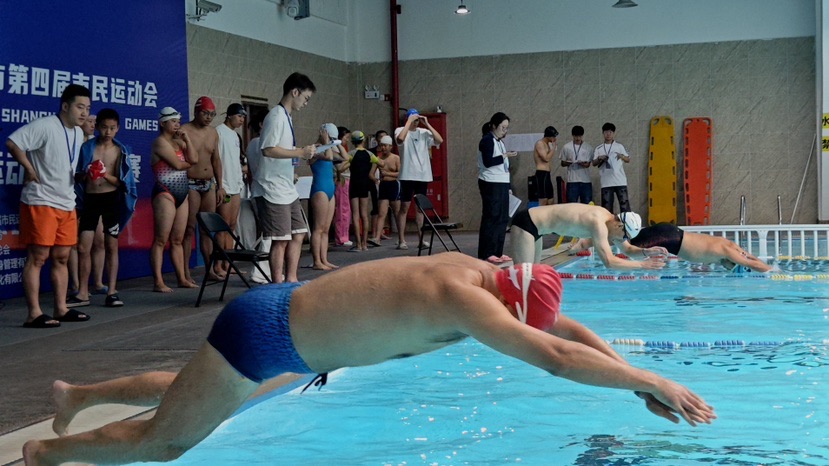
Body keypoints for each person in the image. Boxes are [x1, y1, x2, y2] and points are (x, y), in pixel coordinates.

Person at [23, 254, 716, 466]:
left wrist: (630, 390)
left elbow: (566, 329)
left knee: (196, 389)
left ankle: (77, 393)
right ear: (506, 303)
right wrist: (652, 379)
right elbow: (557, 358)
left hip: (284, 320)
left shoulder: (486, 277)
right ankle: (46, 459)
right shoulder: (459, 298)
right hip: (273, 336)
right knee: (168, 439)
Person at [6, 84, 92, 328]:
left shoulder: (77, 132)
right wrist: (29, 168)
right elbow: (13, 143)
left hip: (66, 201)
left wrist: (80, 176)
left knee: (62, 257)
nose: (84, 113)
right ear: (65, 106)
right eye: (79, 107)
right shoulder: (44, 125)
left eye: (87, 108)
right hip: (41, 200)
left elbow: (63, 163)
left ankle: (61, 308)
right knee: (38, 257)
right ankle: (33, 313)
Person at [72, 108, 137, 307]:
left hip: (110, 200)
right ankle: (83, 292)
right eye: (104, 127)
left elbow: (123, 183)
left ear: (117, 128)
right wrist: (88, 173)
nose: (108, 132)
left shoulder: (120, 150)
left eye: (112, 128)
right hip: (90, 200)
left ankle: (112, 291)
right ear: (97, 127)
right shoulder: (87, 148)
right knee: (83, 247)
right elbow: (77, 177)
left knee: (111, 246)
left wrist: (104, 174)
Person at [257, 72, 316, 283]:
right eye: (306, 98)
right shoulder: (275, 116)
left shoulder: (287, 117)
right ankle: (277, 284)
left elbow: (283, 151)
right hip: (273, 189)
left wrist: (297, 161)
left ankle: (291, 279)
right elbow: (268, 150)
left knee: (299, 233)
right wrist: (300, 152)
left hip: (286, 186)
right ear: (295, 92)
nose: (306, 103)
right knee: (280, 239)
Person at [510, 204, 666, 270]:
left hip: (538, 229)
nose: (622, 240)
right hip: (527, 223)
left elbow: (628, 249)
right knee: (522, 277)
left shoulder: (609, 220)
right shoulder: (598, 223)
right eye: (624, 236)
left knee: (532, 277)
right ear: (620, 226)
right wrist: (642, 265)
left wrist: (647, 252)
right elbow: (609, 262)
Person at [572, 223, 773, 273]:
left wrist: (759, 262)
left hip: (672, 233)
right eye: (732, 267)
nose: (727, 268)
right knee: (627, 241)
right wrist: (772, 271)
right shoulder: (727, 252)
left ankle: (586, 241)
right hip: (669, 238)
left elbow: (749, 257)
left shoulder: (731, 246)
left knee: (630, 238)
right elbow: (751, 263)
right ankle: (585, 242)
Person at [150, 107, 198, 293]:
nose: (177, 124)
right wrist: (190, 164)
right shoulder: (159, 143)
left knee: (177, 239)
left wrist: (187, 139)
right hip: (165, 193)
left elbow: (195, 157)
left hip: (182, 193)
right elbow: (178, 165)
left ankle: (182, 278)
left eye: (178, 120)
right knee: (161, 239)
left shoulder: (180, 142)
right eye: (173, 121)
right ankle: (158, 281)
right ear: (163, 123)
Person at [181, 96, 224, 283]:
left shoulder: (213, 133)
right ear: (196, 112)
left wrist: (220, 186)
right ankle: (185, 273)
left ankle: (209, 270)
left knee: (208, 230)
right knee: (189, 229)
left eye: (212, 114)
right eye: (205, 113)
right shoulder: (184, 130)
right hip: (190, 183)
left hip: (209, 185)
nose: (208, 117)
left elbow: (216, 160)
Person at [68, 114, 107, 299]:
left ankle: (98, 282)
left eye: (94, 122)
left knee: (99, 241)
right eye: (89, 121)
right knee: (75, 243)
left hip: (94, 197)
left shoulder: (97, 145)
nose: (93, 124)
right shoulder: (71, 143)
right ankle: (76, 284)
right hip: (73, 197)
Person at [395, 109, 443, 250]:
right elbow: (400, 139)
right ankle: (401, 240)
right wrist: (409, 121)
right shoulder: (400, 130)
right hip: (407, 175)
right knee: (404, 207)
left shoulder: (424, 133)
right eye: (413, 119)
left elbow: (439, 140)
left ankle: (421, 239)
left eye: (417, 120)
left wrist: (427, 124)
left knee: (420, 209)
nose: (415, 122)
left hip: (423, 175)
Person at [477, 112, 518, 264]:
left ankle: (497, 252)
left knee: (502, 219)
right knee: (491, 217)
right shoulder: (487, 140)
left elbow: (504, 168)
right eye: (502, 127)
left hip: (501, 183)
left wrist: (508, 187)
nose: (505, 131)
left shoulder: (499, 142)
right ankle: (486, 253)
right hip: (490, 183)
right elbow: (488, 162)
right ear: (494, 126)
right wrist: (505, 155)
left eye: (507, 128)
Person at [215, 103, 247, 277]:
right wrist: (219, 185)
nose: (242, 120)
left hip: (236, 186)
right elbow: (217, 160)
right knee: (222, 226)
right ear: (230, 115)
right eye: (239, 116)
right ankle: (218, 264)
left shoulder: (235, 136)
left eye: (243, 117)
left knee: (232, 226)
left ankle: (228, 263)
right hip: (225, 186)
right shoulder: (219, 132)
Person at [337, 131, 381, 252]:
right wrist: (372, 169)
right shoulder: (369, 154)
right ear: (363, 141)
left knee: (355, 215)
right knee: (364, 215)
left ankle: (358, 245)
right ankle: (365, 244)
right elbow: (381, 163)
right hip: (365, 184)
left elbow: (341, 168)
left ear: (352, 142)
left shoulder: (351, 154)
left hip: (354, 184)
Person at [308, 123, 340, 270]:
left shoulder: (329, 147)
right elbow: (328, 157)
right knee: (318, 228)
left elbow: (345, 157)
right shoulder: (314, 148)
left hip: (330, 190)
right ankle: (316, 261)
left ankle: (324, 259)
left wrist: (335, 143)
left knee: (326, 228)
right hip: (319, 190)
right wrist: (326, 142)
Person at [369, 135, 403, 247]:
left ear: (390, 146)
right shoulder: (378, 159)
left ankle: (401, 239)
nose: (383, 148)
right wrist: (376, 180)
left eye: (385, 145)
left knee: (397, 213)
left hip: (394, 185)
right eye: (381, 145)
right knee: (381, 213)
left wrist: (387, 174)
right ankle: (377, 238)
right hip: (383, 185)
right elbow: (371, 174)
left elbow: (400, 173)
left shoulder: (395, 158)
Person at [592, 122, 631, 213]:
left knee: (624, 205)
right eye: (606, 132)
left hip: (620, 181)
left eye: (610, 132)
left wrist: (621, 156)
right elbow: (593, 163)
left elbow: (628, 159)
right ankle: (609, 226)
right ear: (603, 133)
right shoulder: (599, 148)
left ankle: (627, 225)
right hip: (606, 182)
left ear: (613, 133)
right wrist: (600, 158)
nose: (608, 134)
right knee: (607, 208)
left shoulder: (619, 146)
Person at [560, 125, 594, 204]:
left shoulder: (588, 147)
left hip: (585, 180)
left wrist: (584, 164)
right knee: (571, 205)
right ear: (572, 135)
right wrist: (568, 162)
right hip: (572, 181)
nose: (578, 138)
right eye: (576, 136)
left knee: (587, 204)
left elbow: (589, 164)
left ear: (582, 135)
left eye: (580, 136)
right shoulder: (566, 147)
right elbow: (562, 163)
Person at [333, 126, 353, 247]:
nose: (347, 140)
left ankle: (344, 235)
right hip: (341, 179)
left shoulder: (342, 148)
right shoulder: (335, 148)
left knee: (346, 209)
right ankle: (341, 237)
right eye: (346, 137)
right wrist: (351, 160)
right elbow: (339, 168)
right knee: (342, 209)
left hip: (346, 178)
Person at [533, 126, 558, 206]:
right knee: (543, 200)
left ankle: (549, 218)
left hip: (547, 174)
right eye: (554, 137)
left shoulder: (547, 144)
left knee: (550, 200)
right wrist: (553, 148)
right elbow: (546, 158)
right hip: (541, 174)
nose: (555, 139)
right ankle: (541, 217)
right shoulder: (540, 143)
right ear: (549, 136)